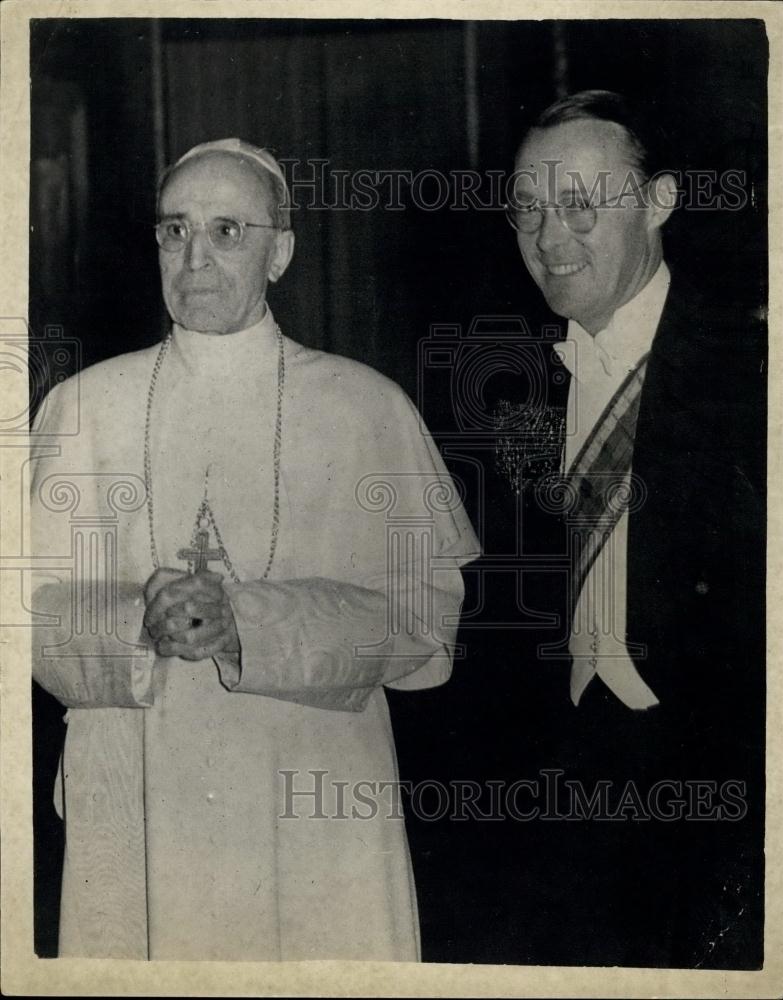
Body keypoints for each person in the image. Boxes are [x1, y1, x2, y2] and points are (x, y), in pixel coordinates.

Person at [29, 138, 480, 961]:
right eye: (174, 231)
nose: (195, 257)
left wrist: (249, 625)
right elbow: (19, 613)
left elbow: (424, 628)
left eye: (228, 232)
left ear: (281, 253)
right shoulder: (82, 406)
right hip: (135, 787)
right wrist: (136, 620)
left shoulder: (364, 410)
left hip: (313, 797)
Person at [447, 90, 766, 967]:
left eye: (581, 206)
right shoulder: (508, 384)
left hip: (727, 795)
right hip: (561, 799)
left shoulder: (753, 369)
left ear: (659, 203)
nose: (550, 241)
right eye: (530, 211)